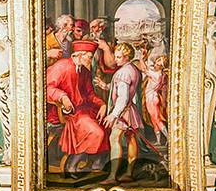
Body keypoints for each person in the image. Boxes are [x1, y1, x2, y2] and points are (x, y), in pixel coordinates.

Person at [46, 40, 109, 175]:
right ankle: (73, 163)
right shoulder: (61, 67)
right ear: (80, 55)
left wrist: (102, 104)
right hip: (66, 113)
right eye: (90, 57)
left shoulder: (84, 72)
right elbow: (47, 88)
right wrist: (63, 97)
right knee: (96, 132)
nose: (90, 60)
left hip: (84, 110)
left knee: (107, 124)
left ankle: (96, 164)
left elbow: (90, 93)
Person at [102, 41, 144, 182]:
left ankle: (112, 177)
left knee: (114, 138)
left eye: (119, 57)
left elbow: (123, 96)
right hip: (131, 110)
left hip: (122, 111)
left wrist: (114, 114)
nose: (115, 59)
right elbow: (124, 89)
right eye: (116, 56)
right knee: (131, 139)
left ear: (127, 57)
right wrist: (107, 86)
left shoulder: (123, 72)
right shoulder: (133, 69)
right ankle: (129, 174)